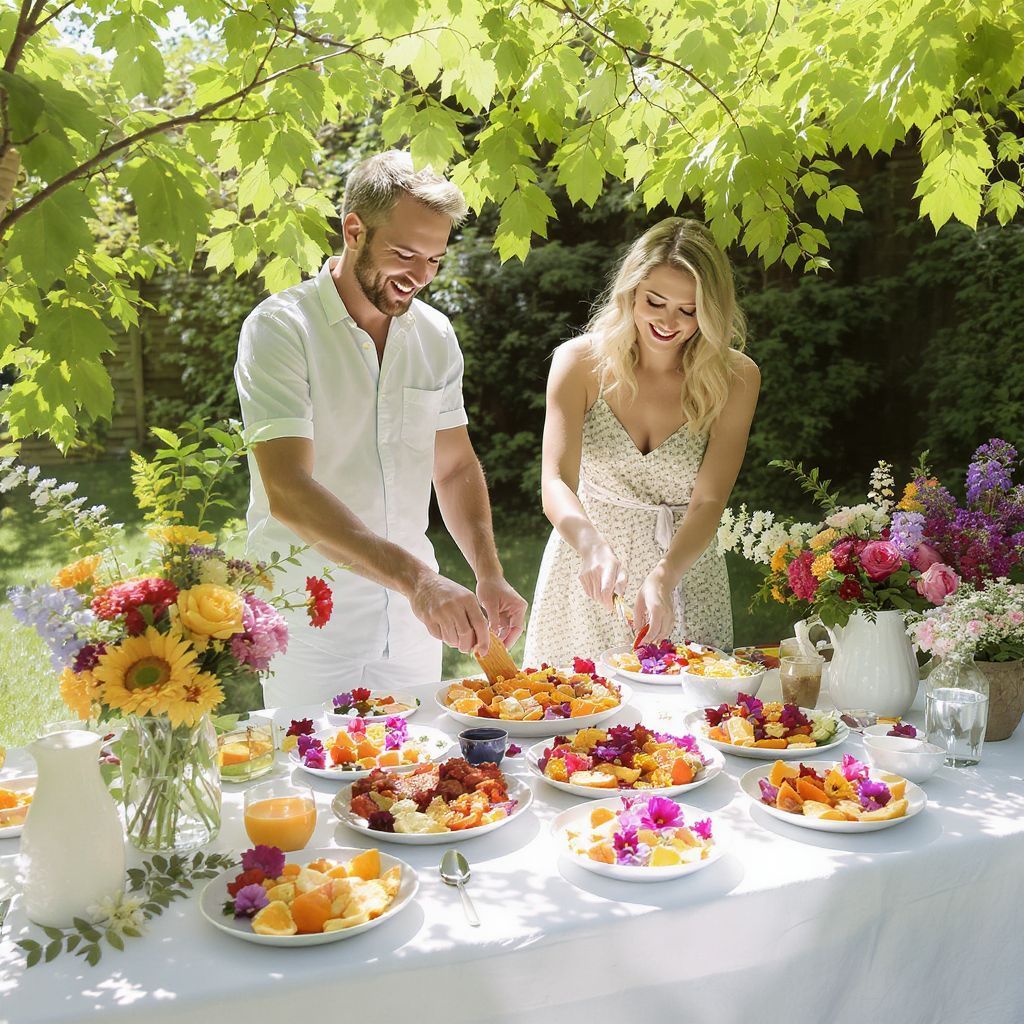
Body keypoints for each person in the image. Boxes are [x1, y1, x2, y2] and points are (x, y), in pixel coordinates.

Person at [235, 150, 527, 706]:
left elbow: (455, 464)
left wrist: (487, 573)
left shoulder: (435, 336)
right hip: (310, 624)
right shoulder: (280, 329)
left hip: (417, 627)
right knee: (313, 784)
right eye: (404, 253)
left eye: (435, 260)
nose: (420, 276)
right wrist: (419, 581)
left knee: (420, 784)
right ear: (353, 229)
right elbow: (288, 491)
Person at [523, 218, 759, 667]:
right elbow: (555, 482)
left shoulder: (736, 377)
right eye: (655, 301)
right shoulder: (580, 363)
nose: (669, 322)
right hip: (588, 568)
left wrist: (665, 577)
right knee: (568, 715)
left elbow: (709, 500)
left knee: (688, 728)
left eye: (689, 311)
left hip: (684, 572)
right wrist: (590, 545)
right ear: (630, 291)